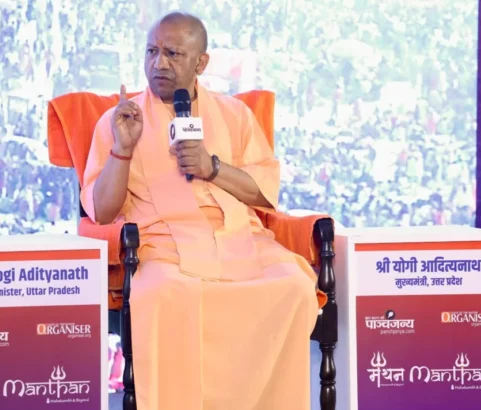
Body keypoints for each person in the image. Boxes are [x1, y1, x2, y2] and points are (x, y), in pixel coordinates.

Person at [81, 11, 321, 410]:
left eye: (173, 54)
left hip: (240, 240)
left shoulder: (235, 115)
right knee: (162, 293)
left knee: (295, 286)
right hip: (164, 248)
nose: (159, 64)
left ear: (201, 63)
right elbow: (102, 213)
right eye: (152, 52)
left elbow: (263, 193)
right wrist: (122, 149)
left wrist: (213, 168)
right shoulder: (119, 120)